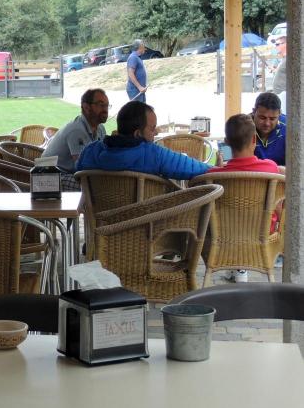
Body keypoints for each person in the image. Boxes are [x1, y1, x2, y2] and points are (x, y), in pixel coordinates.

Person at [208, 113, 281, 283]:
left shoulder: (213, 175)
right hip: (262, 231)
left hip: (225, 233)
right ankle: (240, 268)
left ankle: (237, 267)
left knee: (230, 216)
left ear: (226, 142)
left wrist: (219, 167)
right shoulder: (270, 168)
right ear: (254, 139)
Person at [76, 100, 210, 179]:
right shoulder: (154, 153)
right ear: (137, 134)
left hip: (101, 218)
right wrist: (217, 168)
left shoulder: (90, 151)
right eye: (152, 129)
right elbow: (193, 168)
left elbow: (78, 174)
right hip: (149, 218)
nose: (156, 132)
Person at [42, 88, 109, 190]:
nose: (105, 110)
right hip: (50, 177)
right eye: (101, 105)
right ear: (86, 107)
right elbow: (83, 167)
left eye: (107, 105)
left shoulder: (100, 128)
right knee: (94, 188)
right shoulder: (77, 130)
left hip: (70, 173)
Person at [252, 92, 285, 166]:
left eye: (272, 119)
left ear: (279, 114)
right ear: (254, 111)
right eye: (262, 118)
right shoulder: (242, 127)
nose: (267, 123)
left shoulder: (290, 128)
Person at [271, 34, 287, 114]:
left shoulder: (290, 59)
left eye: (277, 44)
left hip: (284, 95)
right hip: (279, 95)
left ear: (286, 44)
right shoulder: (284, 59)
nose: (275, 47)